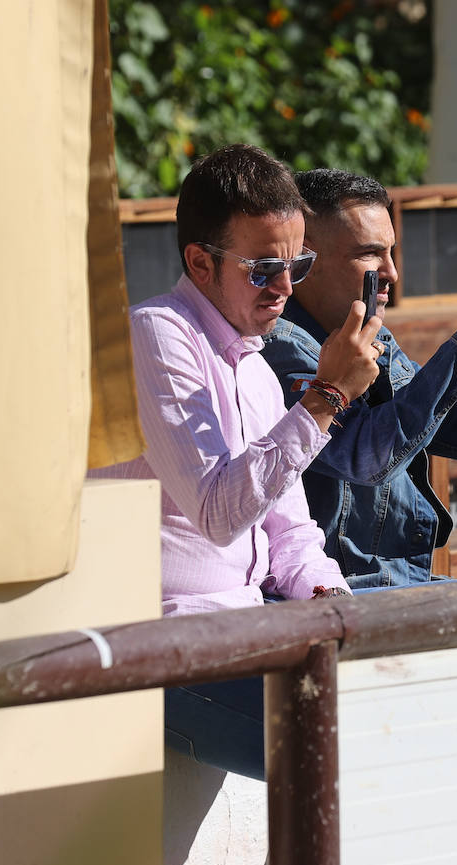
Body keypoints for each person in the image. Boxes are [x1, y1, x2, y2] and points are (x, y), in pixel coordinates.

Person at [91, 143, 382, 775]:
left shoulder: (255, 364)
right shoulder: (154, 334)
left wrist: (338, 607)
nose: (285, 289)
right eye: (263, 269)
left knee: (410, 692)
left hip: (246, 624)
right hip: (158, 641)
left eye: (297, 266)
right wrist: (326, 398)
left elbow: (291, 534)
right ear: (200, 262)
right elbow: (220, 515)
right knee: (341, 744)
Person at [260, 169, 457, 588]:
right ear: (305, 262)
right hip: (335, 592)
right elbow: (366, 457)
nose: (391, 272)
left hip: (402, 583)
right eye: (369, 254)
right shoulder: (277, 349)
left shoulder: (373, 337)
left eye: (391, 252)